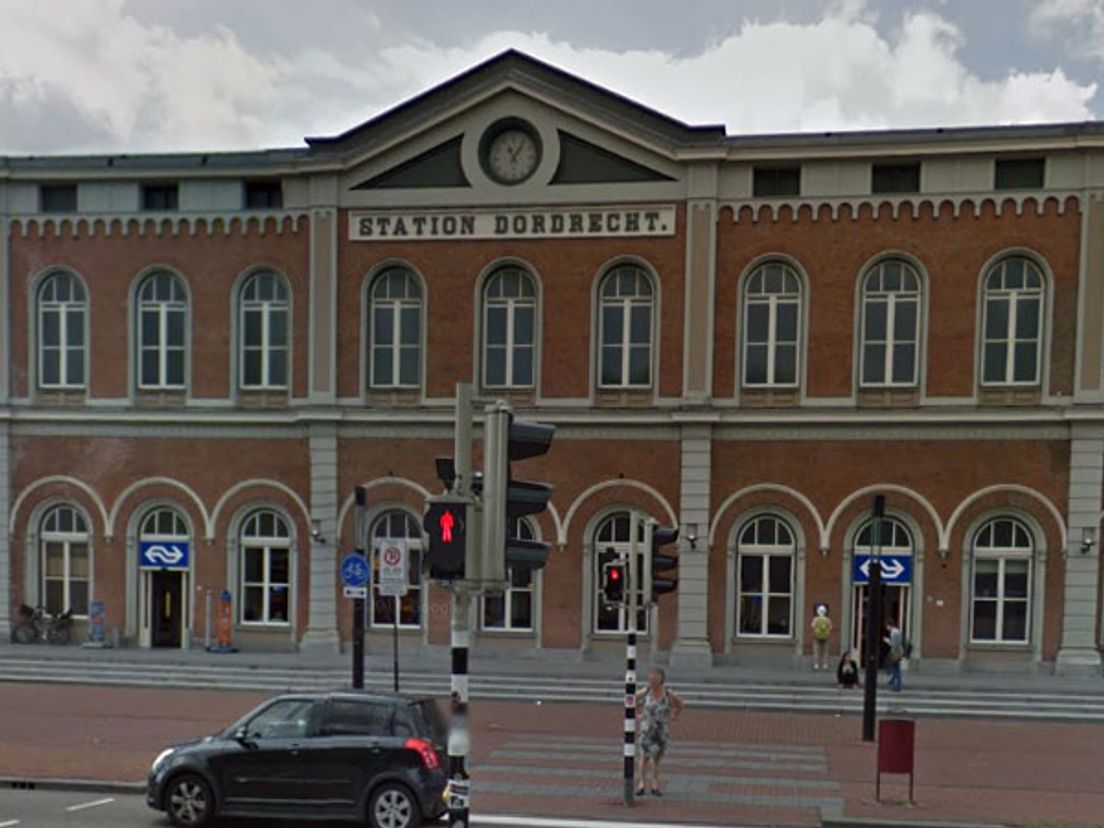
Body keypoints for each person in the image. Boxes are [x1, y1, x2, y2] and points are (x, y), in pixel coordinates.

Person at [635, 666, 683, 796]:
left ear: (661, 679)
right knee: (644, 756)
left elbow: (680, 703)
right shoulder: (645, 692)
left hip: (661, 729)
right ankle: (641, 783)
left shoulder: (668, 693)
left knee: (656, 758)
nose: (652, 681)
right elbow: (631, 700)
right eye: (651, 678)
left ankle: (655, 784)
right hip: (647, 728)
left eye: (655, 678)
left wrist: (675, 715)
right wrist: (637, 714)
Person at [810, 605, 833, 670]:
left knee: (816, 651)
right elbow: (831, 627)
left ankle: (816, 664)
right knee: (825, 651)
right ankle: (825, 664)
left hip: (816, 637)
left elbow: (812, 626)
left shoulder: (816, 619)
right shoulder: (827, 620)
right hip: (826, 637)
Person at [884, 620, 904, 692]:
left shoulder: (893, 633)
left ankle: (898, 686)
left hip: (896, 652)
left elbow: (894, 645)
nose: (887, 628)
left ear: (889, 625)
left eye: (887, 626)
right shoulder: (897, 631)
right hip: (898, 652)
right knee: (895, 667)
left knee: (896, 669)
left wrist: (887, 641)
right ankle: (892, 681)